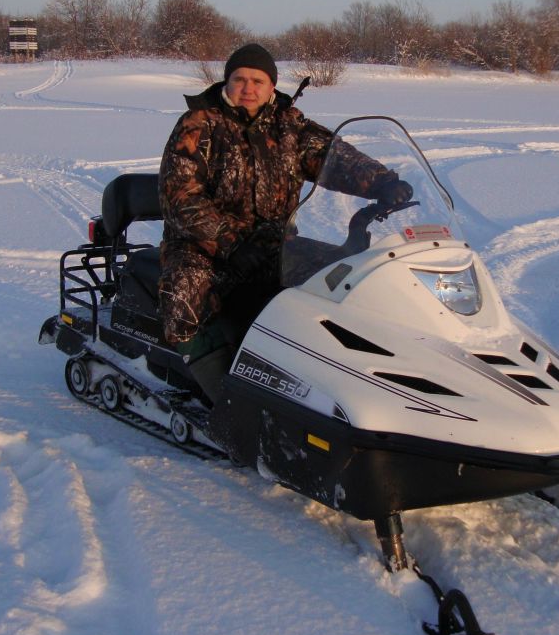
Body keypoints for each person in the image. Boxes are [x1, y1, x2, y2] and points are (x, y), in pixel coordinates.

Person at [157, 43, 412, 403]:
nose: (248, 88)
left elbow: (333, 157)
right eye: (239, 79)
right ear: (226, 82)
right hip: (202, 246)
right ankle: (227, 406)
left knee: (349, 278)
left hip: (274, 244)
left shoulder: (289, 125)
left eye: (258, 81)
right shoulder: (199, 124)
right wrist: (229, 243)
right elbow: (181, 197)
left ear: (271, 86)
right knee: (183, 303)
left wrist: (382, 182)